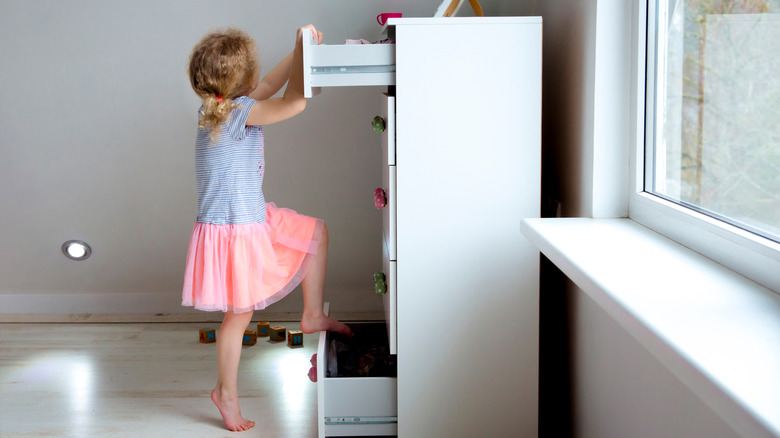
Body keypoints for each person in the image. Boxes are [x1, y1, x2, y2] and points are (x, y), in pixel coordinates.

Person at [182, 25, 353, 432]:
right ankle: (225, 393)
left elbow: (275, 81)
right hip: (235, 232)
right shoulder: (239, 113)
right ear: (240, 82)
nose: (262, 78)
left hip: (251, 219)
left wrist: (300, 49)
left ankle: (311, 314)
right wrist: (302, 54)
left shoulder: (220, 107)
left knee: (315, 233)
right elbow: (293, 102)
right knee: (237, 318)